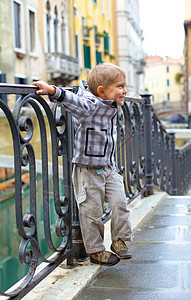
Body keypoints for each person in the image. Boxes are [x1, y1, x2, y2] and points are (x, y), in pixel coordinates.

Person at [32, 63, 133, 266]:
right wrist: (53, 90)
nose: (125, 91)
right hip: (87, 171)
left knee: (120, 202)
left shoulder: (111, 105)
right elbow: (74, 101)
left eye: (124, 86)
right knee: (91, 211)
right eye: (120, 86)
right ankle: (95, 250)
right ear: (102, 92)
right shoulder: (91, 106)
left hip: (109, 167)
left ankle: (120, 240)